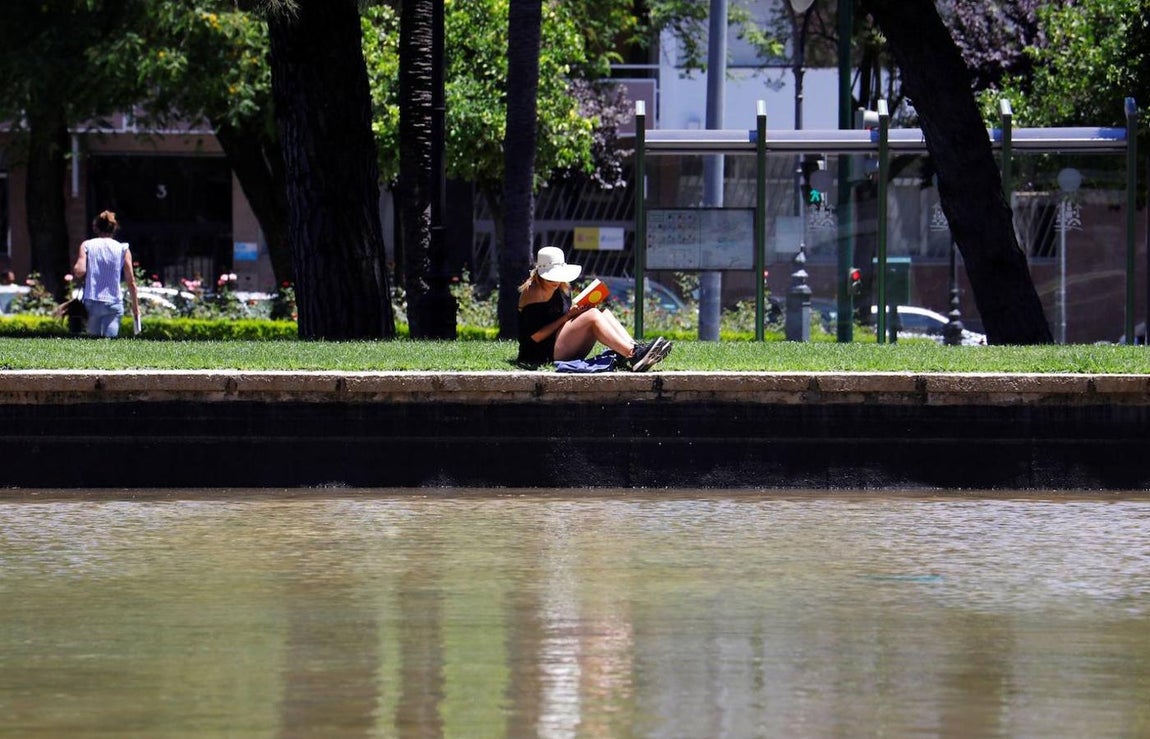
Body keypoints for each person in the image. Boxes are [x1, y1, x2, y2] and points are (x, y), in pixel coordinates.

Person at [517, 246, 672, 371]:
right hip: (540, 353)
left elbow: (564, 317)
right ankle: (633, 355)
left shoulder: (563, 287)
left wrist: (578, 311)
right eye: (552, 277)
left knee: (603, 312)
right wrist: (569, 316)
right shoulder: (532, 292)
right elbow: (535, 337)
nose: (556, 281)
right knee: (593, 315)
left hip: (560, 344)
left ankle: (634, 349)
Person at [71, 210, 139, 337]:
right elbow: (131, 282)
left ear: (96, 228)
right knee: (110, 343)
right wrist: (135, 308)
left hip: (92, 300)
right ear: (114, 228)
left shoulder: (87, 245)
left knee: (93, 342)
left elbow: (80, 271)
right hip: (114, 301)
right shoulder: (123, 248)